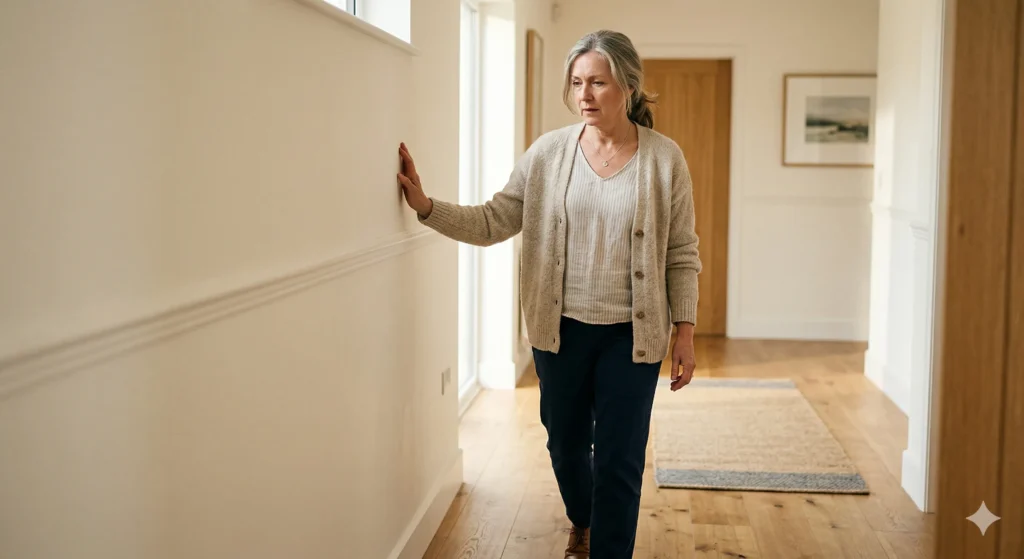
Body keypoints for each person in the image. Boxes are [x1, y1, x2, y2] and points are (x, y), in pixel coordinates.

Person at [396, 29, 701, 559]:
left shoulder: (664, 159)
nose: (584, 94)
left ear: (628, 86)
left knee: (621, 459)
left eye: (597, 83)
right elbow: (494, 219)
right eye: (577, 82)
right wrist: (427, 207)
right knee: (565, 445)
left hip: (632, 337)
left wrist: (686, 332)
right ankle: (583, 519)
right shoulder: (549, 154)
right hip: (560, 331)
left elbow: (681, 251)